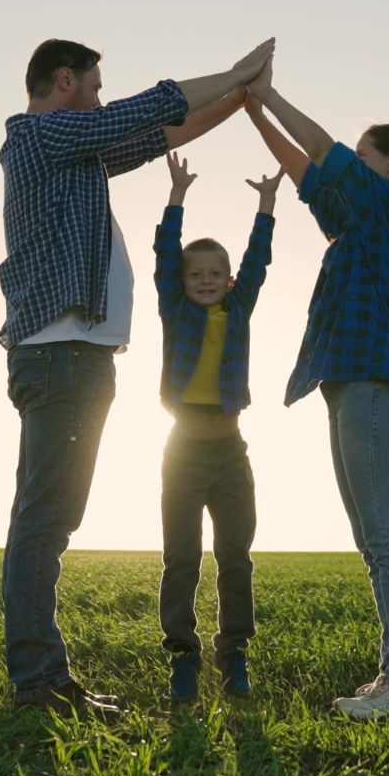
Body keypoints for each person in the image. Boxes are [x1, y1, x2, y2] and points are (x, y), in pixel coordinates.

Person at [0, 36, 273, 716]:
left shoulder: (74, 152)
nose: (98, 96)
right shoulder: (40, 136)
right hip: (61, 360)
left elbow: (158, 132)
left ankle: (45, 679)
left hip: (73, 361)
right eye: (92, 84)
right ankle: (38, 683)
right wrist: (234, 71)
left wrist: (240, 100)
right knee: (44, 523)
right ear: (64, 82)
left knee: (49, 518)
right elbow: (146, 108)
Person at [245, 59, 389, 724]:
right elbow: (311, 175)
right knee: (375, 542)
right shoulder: (363, 217)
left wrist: (271, 91)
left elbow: (323, 152)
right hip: (351, 384)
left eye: (366, 157)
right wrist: (252, 110)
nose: (354, 167)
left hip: (373, 383)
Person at [152, 149, 282, 702]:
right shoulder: (175, 310)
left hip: (231, 455)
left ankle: (234, 652)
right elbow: (163, 256)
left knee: (235, 557)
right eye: (194, 274)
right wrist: (177, 197)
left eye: (215, 275)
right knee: (181, 558)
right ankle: (183, 655)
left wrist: (267, 206)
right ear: (183, 281)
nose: (204, 281)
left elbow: (257, 263)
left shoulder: (238, 310)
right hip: (182, 454)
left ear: (228, 281)